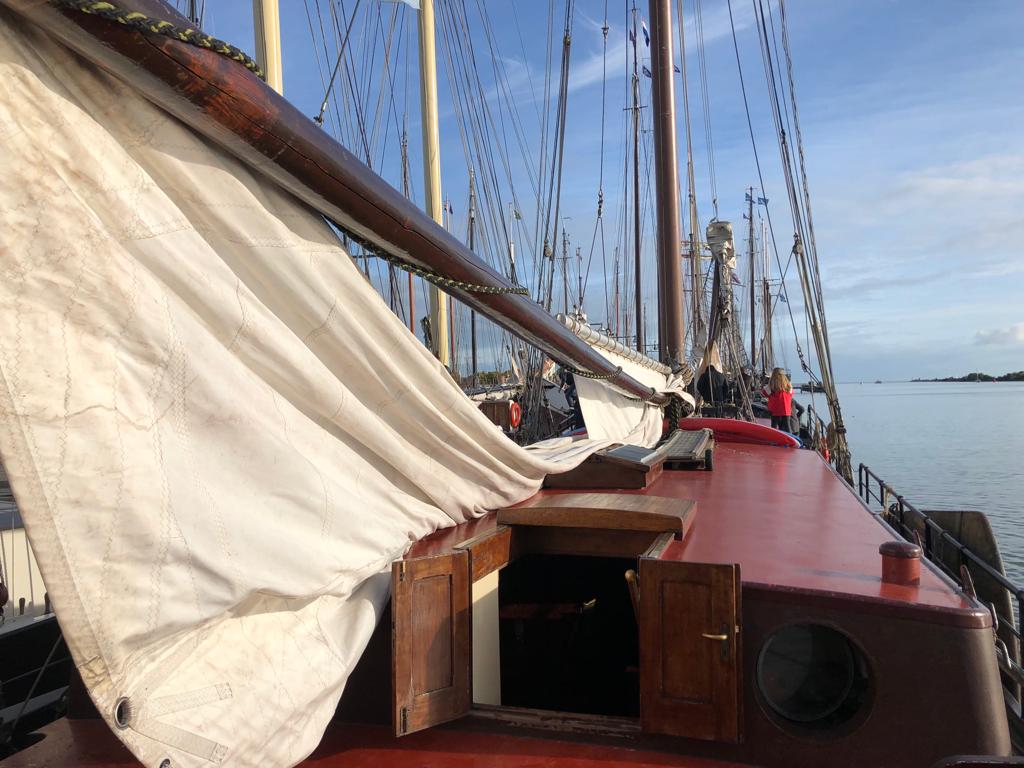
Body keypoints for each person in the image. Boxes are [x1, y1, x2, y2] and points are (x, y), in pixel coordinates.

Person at [767, 367, 794, 433]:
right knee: (787, 427)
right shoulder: (788, 386)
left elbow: (764, 393)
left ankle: (774, 438)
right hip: (786, 409)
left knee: (774, 426)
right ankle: (790, 438)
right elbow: (791, 394)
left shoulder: (771, 385)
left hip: (774, 409)